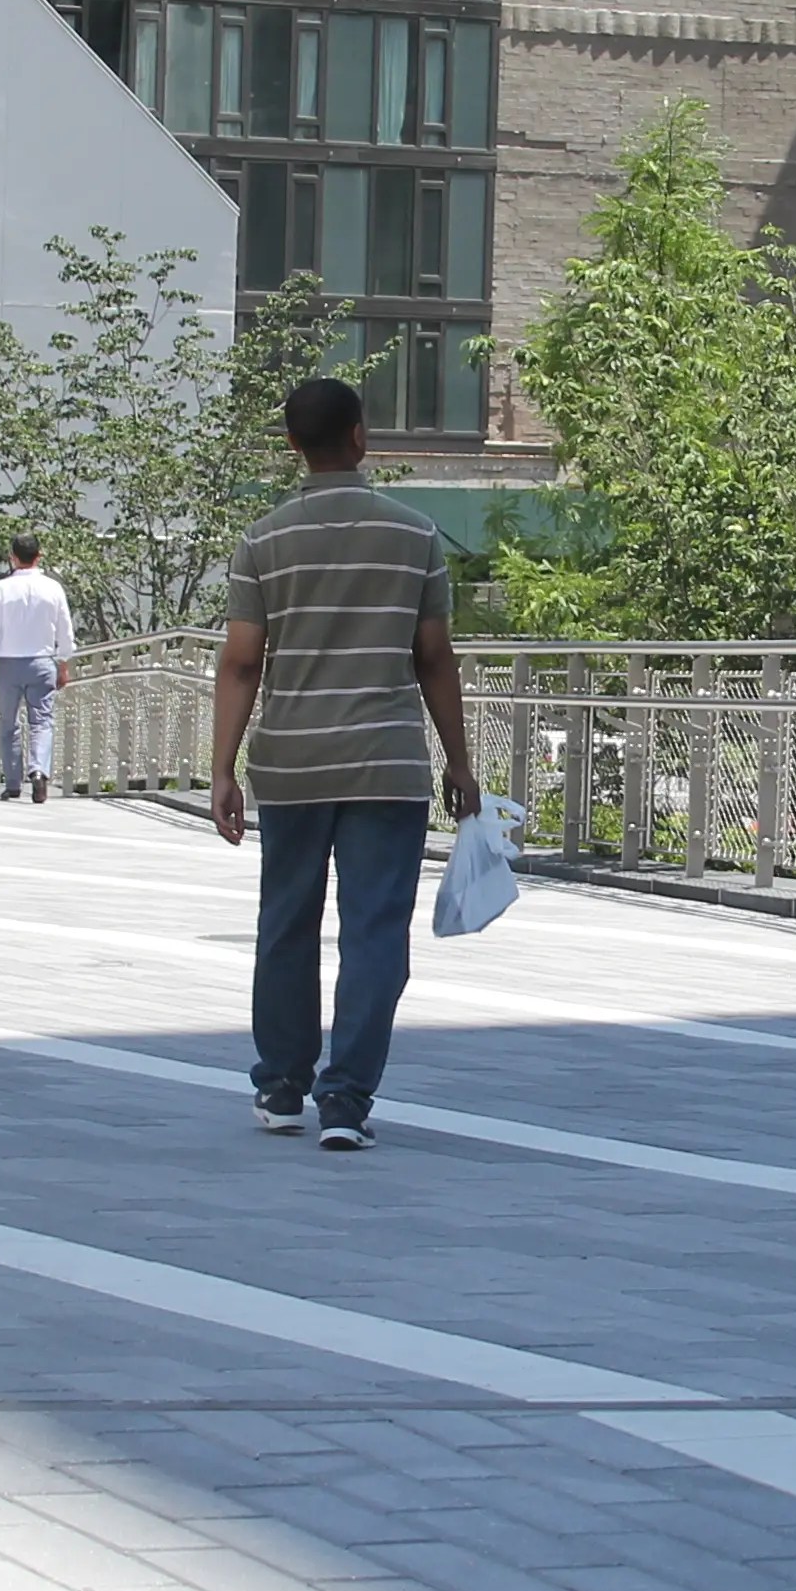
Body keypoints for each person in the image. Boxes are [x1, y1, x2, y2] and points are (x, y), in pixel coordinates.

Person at [208, 376, 481, 1151]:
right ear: (361, 437)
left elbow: (240, 663)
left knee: (287, 923)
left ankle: (282, 1085)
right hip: (387, 765)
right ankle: (348, 1101)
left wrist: (223, 769)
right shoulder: (415, 534)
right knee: (373, 933)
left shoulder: (263, 539)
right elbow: (435, 659)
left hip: (290, 762)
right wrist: (459, 762)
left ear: (293, 446)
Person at [0, 537, 77, 804]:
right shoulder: (53, 588)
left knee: (9, 723)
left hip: (9, 663)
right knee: (42, 721)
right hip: (42, 661)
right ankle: (39, 771)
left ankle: (13, 782)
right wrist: (64, 663)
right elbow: (65, 630)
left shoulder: (1, 589)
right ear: (39, 555)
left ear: (13, 556)